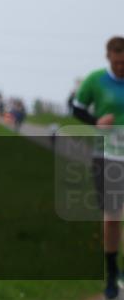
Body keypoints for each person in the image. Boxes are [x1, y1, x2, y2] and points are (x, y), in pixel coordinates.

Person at [69, 36, 124, 299]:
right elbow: (76, 108)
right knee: (113, 217)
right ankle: (112, 274)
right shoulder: (95, 80)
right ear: (109, 57)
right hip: (107, 155)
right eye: (118, 61)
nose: (122, 66)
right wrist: (95, 122)